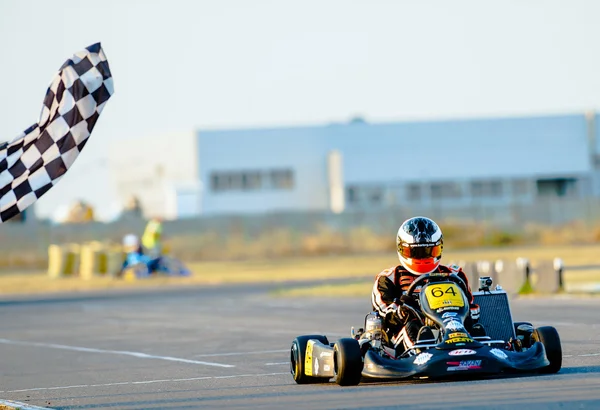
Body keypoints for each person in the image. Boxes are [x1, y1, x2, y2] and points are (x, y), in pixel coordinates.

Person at [371, 216, 483, 355]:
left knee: (475, 327)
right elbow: (385, 316)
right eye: (416, 252)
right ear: (402, 249)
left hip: (452, 327)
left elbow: (471, 307)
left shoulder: (454, 275)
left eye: (428, 252)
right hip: (405, 334)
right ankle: (423, 352)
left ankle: (480, 347)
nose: (422, 258)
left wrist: (465, 312)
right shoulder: (388, 279)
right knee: (414, 328)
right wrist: (404, 309)